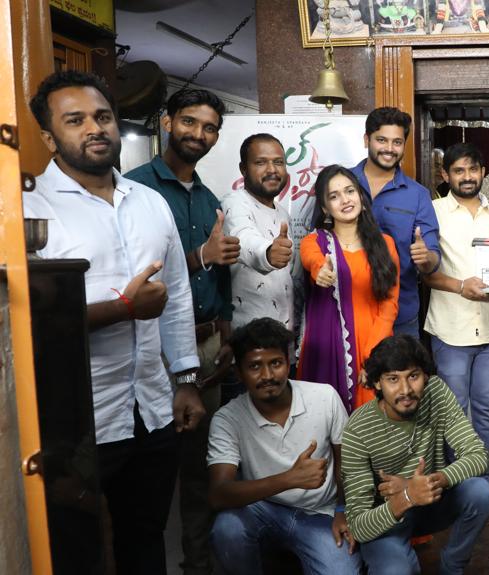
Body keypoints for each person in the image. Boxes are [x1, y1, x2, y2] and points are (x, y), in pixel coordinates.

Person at [24, 70, 204, 574]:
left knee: (145, 538)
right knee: (76, 549)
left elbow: (176, 294)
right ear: (49, 137)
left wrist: (186, 378)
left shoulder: (149, 202)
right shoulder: (27, 210)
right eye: (75, 120)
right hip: (77, 421)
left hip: (151, 408)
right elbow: (27, 320)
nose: (94, 128)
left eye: (102, 116)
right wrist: (124, 308)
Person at [124, 88, 236, 575]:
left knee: (198, 465)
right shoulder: (133, 191)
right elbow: (136, 278)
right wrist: (200, 256)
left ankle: (197, 565)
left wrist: (226, 332)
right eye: (189, 122)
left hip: (206, 344)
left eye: (209, 128)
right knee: (142, 464)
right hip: (149, 345)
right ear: (167, 122)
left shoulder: (210, 199)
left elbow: (219, 274)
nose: (199, 134)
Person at [207, 318, 360, 575]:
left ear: (288, 364)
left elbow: (348, 465)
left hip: (320, 514)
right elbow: (219, 494)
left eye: (275, 363)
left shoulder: (324, 397)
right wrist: (289, 479)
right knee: (227, 529)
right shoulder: (227, 419)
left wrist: (344, 510)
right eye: (254, 366)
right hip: (262, 510)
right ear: (239, 373)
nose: (267, 376)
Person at [340, 334, 489, 574]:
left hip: (432, 503)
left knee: (481, 492)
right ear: (377, 383)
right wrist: (408, 496)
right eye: (393, 379)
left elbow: (478, 455)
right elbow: (359, 526)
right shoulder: (358, 429)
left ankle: (452, 566)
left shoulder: (436, 392)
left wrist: (429, 482)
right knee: (396, 571)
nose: (406, 390)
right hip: (388, 519)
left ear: (426, 376)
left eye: (413, 376)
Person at [422, 142, 489, 449]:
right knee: (454, 414)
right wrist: (462, 286)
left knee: (487, 411)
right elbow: (425, 273)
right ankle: (458, 477)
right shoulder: (432, 213)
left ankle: (484, 474)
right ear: (445, 175)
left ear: (483, 172)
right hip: (451, 332)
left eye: (473, 169)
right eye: (458, 170)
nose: (467, 177)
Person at [297, 164, 400, 411]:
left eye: (350, 191)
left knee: (370, 425)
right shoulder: (315, 242)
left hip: (373, 344)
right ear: (325, 208)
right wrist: (321, 270)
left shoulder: (385, 244)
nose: (345, 200)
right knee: (324, 421)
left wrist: (372, 357)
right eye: (334, 196)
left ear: (360, 197)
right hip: (326, 348)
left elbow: (389, 306)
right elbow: (313, 260)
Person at [350, 107, 441, 337]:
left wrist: (426, 257)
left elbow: (432, 257)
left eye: (397, 142)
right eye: (381, 140)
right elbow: (320, 239)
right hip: (346, 312)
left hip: (400, 316)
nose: (389, 149)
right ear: (366, 140)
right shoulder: (341, 183)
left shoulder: (418, 195)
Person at [222, 133, 294, 331]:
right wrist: (268, 253)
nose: (272, 170)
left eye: (278, 162)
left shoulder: (283, 213)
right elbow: (244, 238)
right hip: (249, 336)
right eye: (261, 162)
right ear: (243, 169)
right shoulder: (234, 202)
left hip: (283, 334)